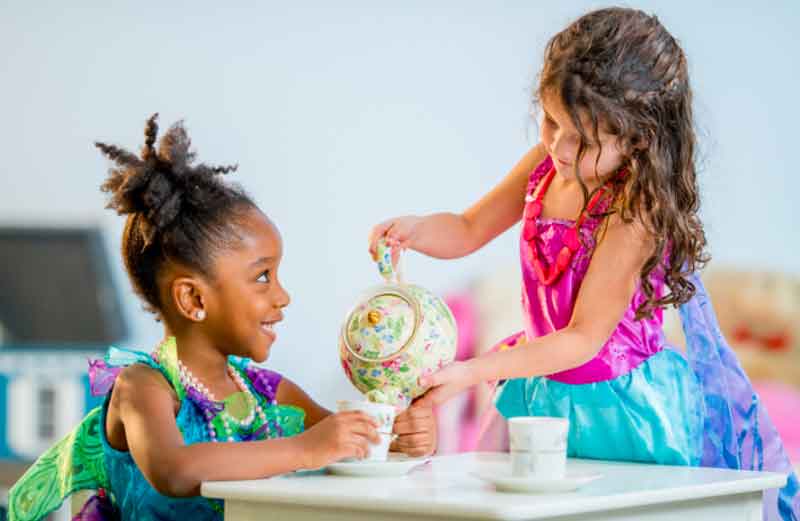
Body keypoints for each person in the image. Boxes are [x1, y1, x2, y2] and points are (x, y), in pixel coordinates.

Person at [369, 8, 799, 520]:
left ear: (638, 139)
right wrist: (415, 229)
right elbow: (467, 228)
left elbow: (581, 339)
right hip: (542, 393)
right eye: (551, 121)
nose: (558, 145)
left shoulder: (635, 208)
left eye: (584, 139)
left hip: (625, 413)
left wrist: (471, 372)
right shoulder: (545, 167)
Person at [9, 114, 436, 521]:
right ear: (194, 298)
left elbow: (354, 442)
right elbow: (175, 470)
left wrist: (405, 436)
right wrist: (307, 450)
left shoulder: (265, 393)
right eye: (263, 277)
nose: (283, 296)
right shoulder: (143, 388)